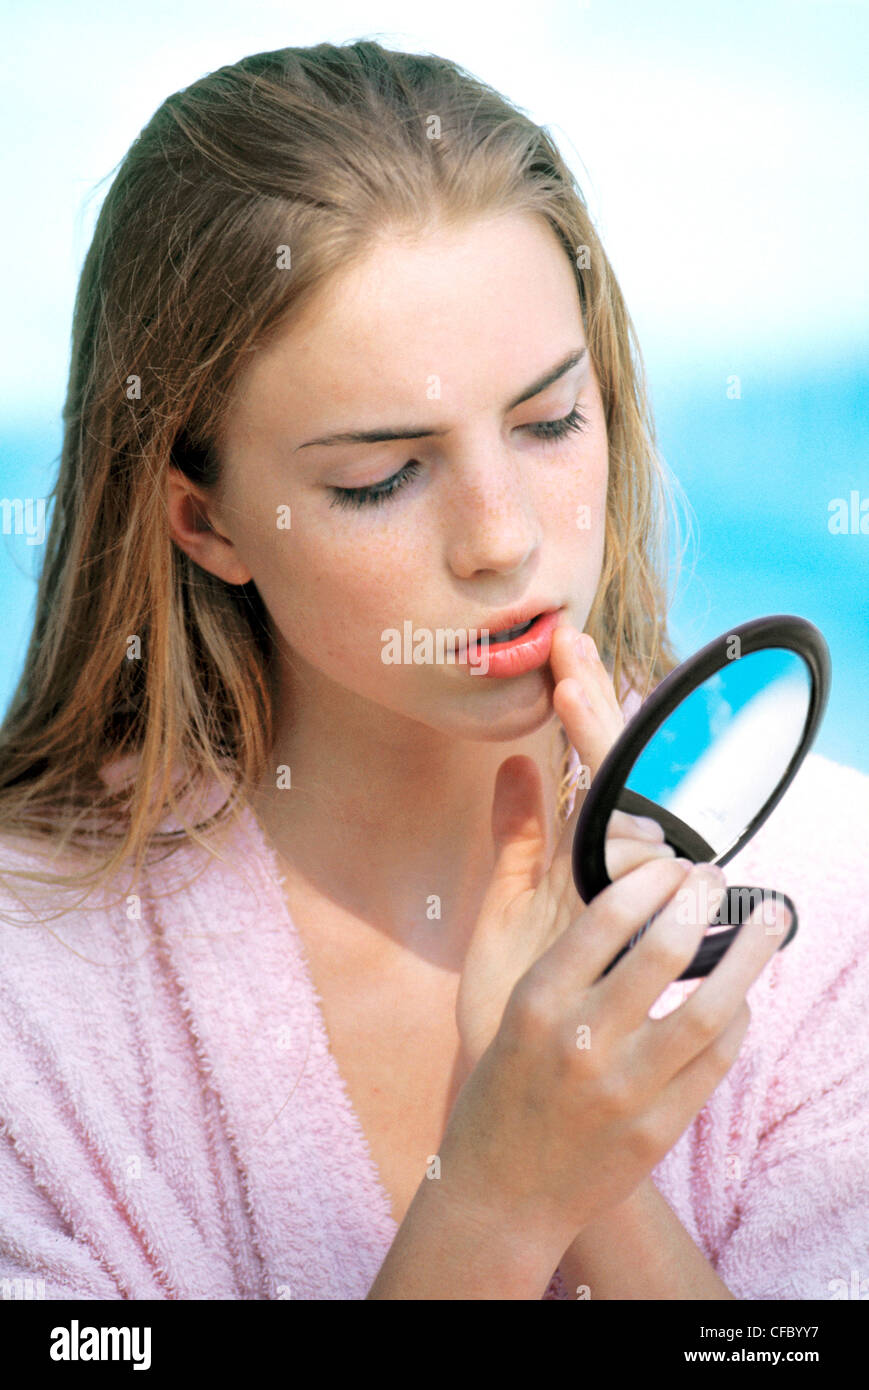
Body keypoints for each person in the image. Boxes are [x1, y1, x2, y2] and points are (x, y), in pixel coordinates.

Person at [0, 39, 867, 1302]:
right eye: (380, 477)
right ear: (206, 522)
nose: (503, 537)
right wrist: (502, 1201)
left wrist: (597, 1175)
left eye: (550, 420)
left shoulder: (830, 901)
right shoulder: (36, 992)